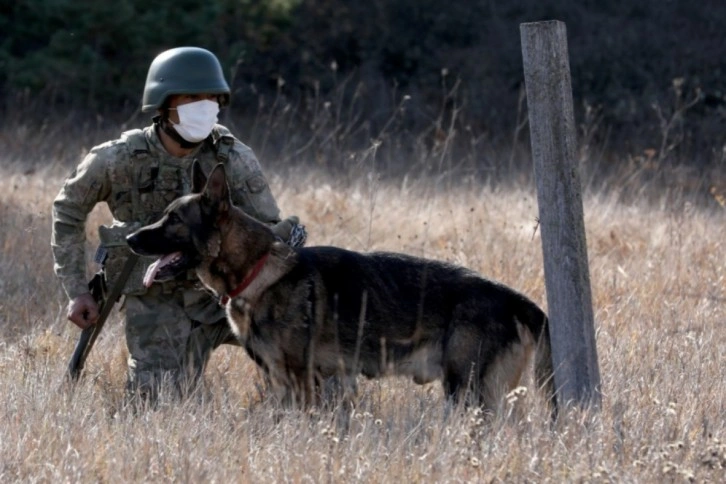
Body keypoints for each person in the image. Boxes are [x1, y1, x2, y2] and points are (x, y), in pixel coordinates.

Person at [52, 46, 306, 402]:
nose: (204, 107)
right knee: (158, 403)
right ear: (163, 103)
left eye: (210, 98)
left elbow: (266, 228)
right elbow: (68, 209)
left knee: (312, 359)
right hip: (158, 301)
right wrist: (77, 289)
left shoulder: (231, 157)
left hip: (226, 295)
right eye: (191, 97)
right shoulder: (118, 159)